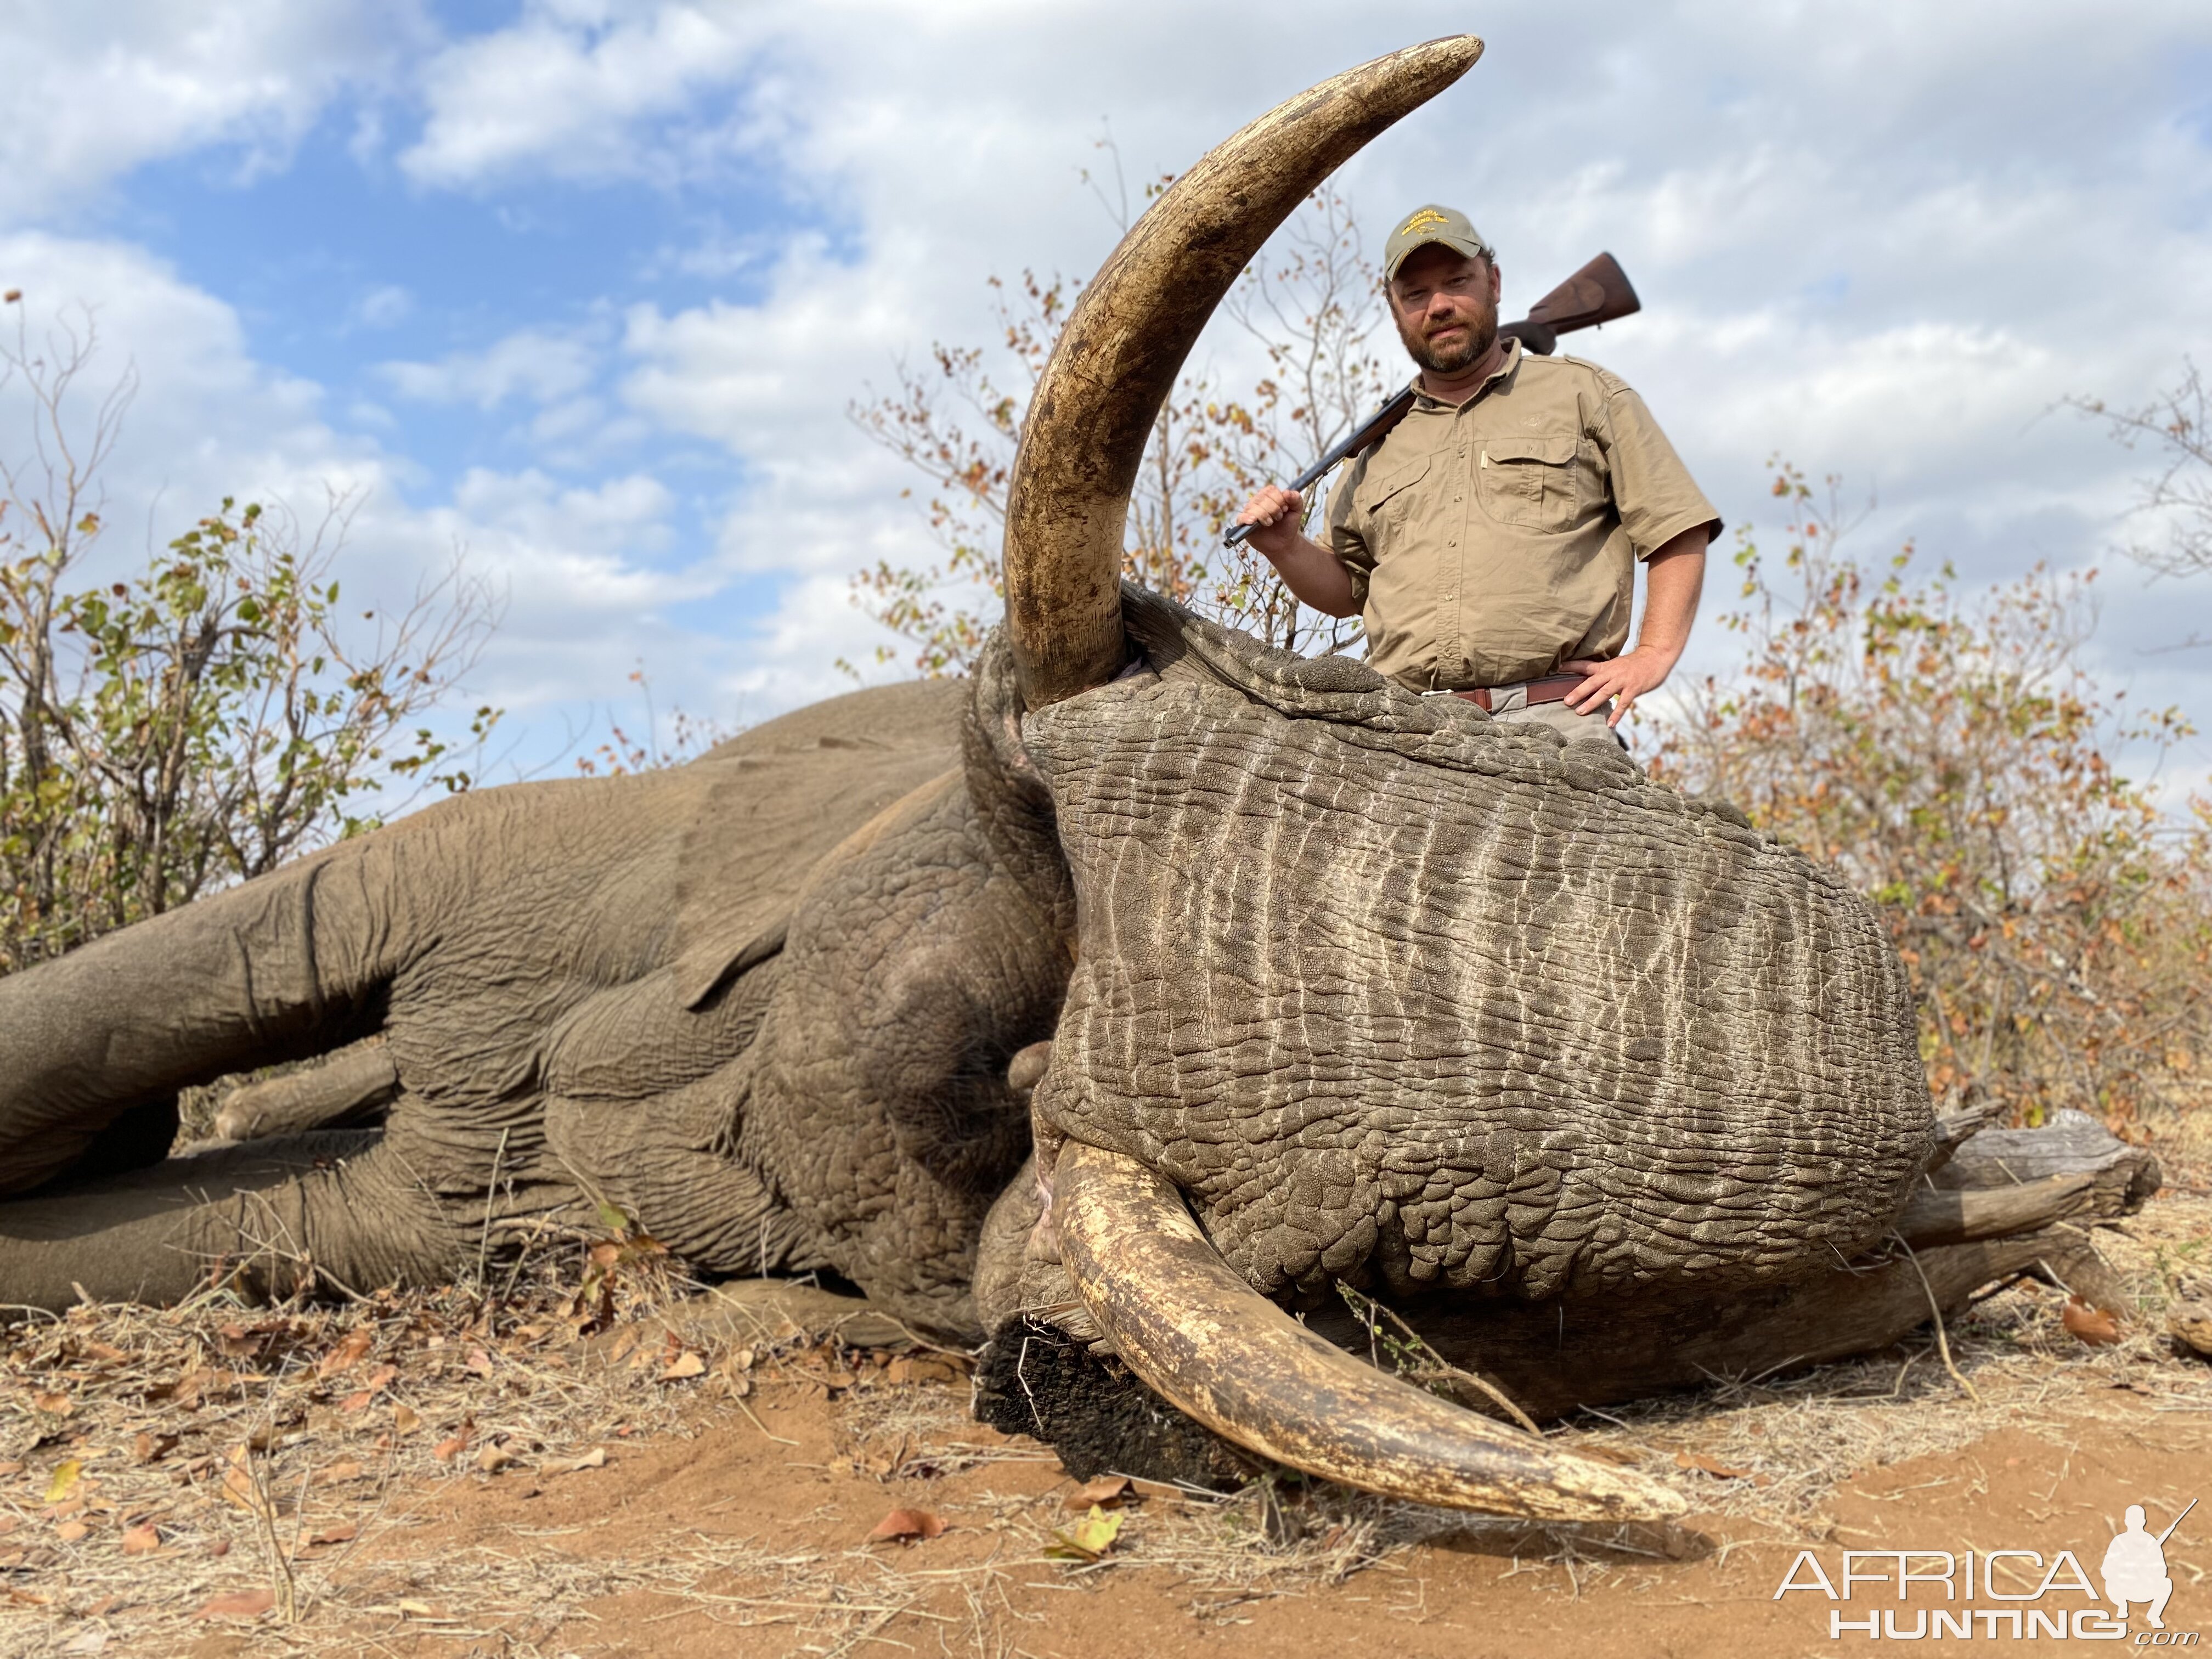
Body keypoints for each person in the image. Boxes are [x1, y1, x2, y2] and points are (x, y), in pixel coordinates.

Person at [1235, 204, 1720, 748]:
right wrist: (1284, 547)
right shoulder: (1375, 445)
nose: (1438, 306)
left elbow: (1677, 524)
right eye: (1415, 294)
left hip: (1554, 720)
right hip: (1403, 731)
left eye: (1457, 282)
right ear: (1395, 311)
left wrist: (1653, 655)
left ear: (1493, 283)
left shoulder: (1588, 395)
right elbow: (1349, 588)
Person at [2102, 1505, 2175, 1629]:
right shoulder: (2119, 1541)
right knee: (2110, 1583)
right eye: (2132, 1520)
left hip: (2144, 1588)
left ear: (2144, 1522)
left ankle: (2154, 1615)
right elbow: (2106, 1570)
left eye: (2138, 1520)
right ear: (2126, 1522)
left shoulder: (2151, 1542)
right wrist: (2124, 1569)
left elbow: (2162, 1571)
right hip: (2123, 1589)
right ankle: (2122, 1605)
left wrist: (2146, 1569)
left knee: (2167, 1583)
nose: (2135, 1523)